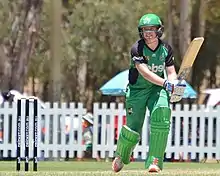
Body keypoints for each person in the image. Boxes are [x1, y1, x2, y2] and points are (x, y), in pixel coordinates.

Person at [112, 13, 186, 173]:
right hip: (137, 91)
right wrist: (166, 83)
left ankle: (155, 161)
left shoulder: (166, 49)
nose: (148, 33)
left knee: (162, 116)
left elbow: (171, 71)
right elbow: (145, 73)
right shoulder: (137, 49)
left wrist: (174, 83)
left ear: (159, 30)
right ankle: (121, 155)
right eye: (145, 30)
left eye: (152, 29)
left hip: (156, 90)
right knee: (133, 129)